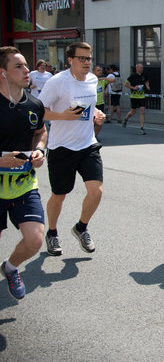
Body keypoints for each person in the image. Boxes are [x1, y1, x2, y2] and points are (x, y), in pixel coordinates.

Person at [38, 42, 106, 256]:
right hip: (62, 147)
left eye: (89, 58)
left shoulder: (93, 80)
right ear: (70, 60)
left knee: (96, 192)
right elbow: (38, 111)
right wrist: (61, 116)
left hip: (88, 144)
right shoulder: (57, 82)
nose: (87, 62)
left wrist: (96, 113)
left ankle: (81, 227)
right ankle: (52, 232)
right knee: (59, 195)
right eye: (82, 58)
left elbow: (87, 103)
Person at [0, 46, 47, 300]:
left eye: (26, 65)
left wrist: (40, 150)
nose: (27, 70)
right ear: (3, 73)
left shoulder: (34, 105)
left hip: (24, 185)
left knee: (35, 241)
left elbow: (40, 132)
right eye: (18, 66)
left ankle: (10, 267)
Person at [122, 63, 150, 135]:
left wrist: (147, 86)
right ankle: (126, 119)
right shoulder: (133, 76)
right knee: (133, 112)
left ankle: (141, 128)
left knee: (142, 111)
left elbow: (146, 81)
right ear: (137, 68)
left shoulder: (144, 75)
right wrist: (133, 88)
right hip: (134, 96)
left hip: (142, 96)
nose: (141, 69)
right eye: (140, 68)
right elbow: (126, 84)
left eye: (142, 68)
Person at [93, 65, 113, 136]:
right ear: (93, 71)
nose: (100, 72)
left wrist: (103, 78)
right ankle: (89, 137)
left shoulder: (103, 80)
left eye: (101, 71)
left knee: (100, 121)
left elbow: (113, 80)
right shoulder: (90, 80)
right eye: (98, 70)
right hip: (92, 104)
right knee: (92, 122)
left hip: (100, 103)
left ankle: (95, 136)